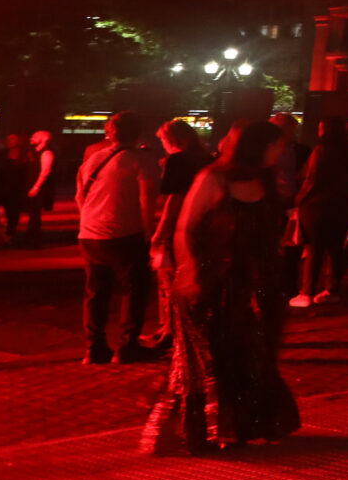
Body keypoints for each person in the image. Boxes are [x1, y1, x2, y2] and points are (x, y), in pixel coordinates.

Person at [143, 119, 301, 453]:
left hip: (248, 282)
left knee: (246, 354)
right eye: (276, 145)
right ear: (257, 146)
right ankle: (208, 430)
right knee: (209, 358)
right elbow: (186, 228)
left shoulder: (264, 180)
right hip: (208, 282)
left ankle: (241, 426)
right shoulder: (213, 178)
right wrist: (190, 274)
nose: (281, 151)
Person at [77, 112, 161, 365]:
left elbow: (80, 196)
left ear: (110, 132)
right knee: (135, 288)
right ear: (139, 133)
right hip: (124, 232)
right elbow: (147, 198)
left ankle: (94, 348)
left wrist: (90, 220)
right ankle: (127, 346)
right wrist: (149, 233)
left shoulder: (94, 158)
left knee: (96, 291)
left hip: (90, 233)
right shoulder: (143, 160)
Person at [146, 119, 213, 354]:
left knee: (168, 280)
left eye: (163, 141)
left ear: (171, 140)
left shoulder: (177, 161)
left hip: (178, 227)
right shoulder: (207, 159)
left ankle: (169, 330)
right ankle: (177, 329)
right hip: (202, 225)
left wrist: (159, 233)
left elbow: (172, 200)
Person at [293, 117, 348, 307]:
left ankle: (307, 292)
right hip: (343, 205)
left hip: (318, 206)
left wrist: (299, 199)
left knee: (314, 248)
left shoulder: (322, 150)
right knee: (336, 249)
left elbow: (312, 178)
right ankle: (332, 290)